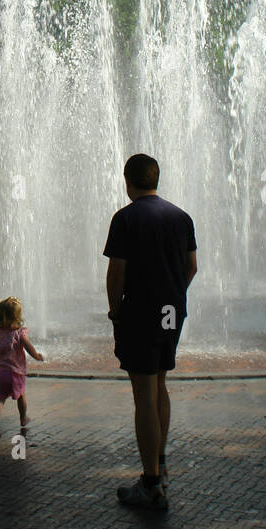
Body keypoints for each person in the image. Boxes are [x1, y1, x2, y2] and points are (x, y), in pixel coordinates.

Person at [104, 154, 197, 510]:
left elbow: (116, 274)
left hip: (140, 314)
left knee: (142, 390)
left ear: (128, 181)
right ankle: (160, 461)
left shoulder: (125, 219)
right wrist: (173, 292)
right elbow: (192, 266)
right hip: (172, 312)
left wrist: (116, 312)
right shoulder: (181, 217)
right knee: (159, 382)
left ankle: (150, 483)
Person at [0, 296, 43, 440]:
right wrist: (37, 356)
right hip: (16, 373)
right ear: (18, 316)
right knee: (21, 395)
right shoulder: (19, 333)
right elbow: (29, 348)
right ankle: (23, 418)